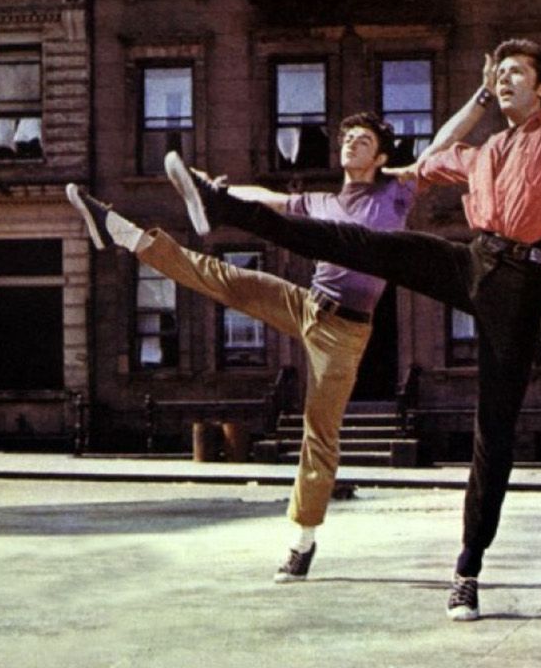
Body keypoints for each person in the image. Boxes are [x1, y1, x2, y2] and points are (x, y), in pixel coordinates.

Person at [161, 0, 541, 620]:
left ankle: (468, 570)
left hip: (523, 287)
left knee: (493, 434)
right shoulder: (480, 155)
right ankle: (221, 208)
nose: (505, 79)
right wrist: (248, 189)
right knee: (354, 239)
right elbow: (427, 160)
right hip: (472, 261)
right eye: (498, 72)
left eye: (516, 72)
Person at [64, 108, 472, 584]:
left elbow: (442, 142)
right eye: (347, 139)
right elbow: (269, 200)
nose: (351, 145)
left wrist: (482, 99)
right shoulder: (320, 202)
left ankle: (302, 542)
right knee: (224, 278)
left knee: (319, 433)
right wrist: (221, 192)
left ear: (381, 156)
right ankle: (122, 231)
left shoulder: (395, 192)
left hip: (345, 332)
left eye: (362, 141)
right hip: (308, 305)